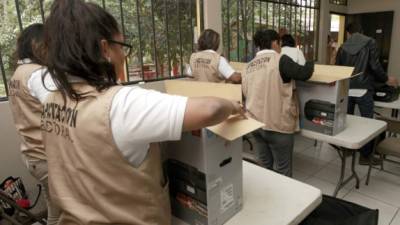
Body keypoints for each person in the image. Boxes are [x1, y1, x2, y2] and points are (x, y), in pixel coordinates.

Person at [41, 0, 243, 224]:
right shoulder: (121, 104)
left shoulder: (51, 100)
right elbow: (211, 109)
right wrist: (233, 105)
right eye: (122, 47)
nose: (123, 56)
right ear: (105, 49)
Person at [243, 29, 314, 177]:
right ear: (275, 43)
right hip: (278, 126)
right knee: (283, 170)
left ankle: (268, 195)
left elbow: (245, 93)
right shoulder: (281, 60)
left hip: (255, 125)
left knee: (264, 166)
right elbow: (304, 73)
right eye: (279, 43)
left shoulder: (248, 66)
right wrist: (310, 62)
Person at [8, 23, 60, 225]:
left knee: (54, 209)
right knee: (71, 209)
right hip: (47, 156)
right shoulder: (39, 74)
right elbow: (62, 110)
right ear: (41, 45)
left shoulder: (17, 74)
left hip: (32, 155)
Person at [336, 23, 398, 165]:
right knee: (367, 124)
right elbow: (375, 66)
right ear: (361, 31)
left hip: (347, 89)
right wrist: (386, 79)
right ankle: (365, 156)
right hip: (364, 90)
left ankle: (347, 150)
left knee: (346, 121)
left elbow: (338, 68)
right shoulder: (370, 43)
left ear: (348, 33)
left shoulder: (343, 46)